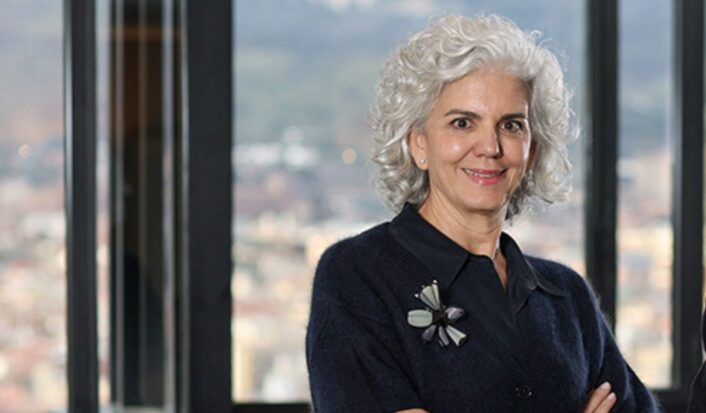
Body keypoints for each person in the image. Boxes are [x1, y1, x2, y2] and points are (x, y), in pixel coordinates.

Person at [306, 14, 659, 412]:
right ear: (418, 144)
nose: (490, 147)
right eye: (462, 123)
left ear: (532, 150)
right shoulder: (356, 275)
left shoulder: (567, 295)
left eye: (511, 125)